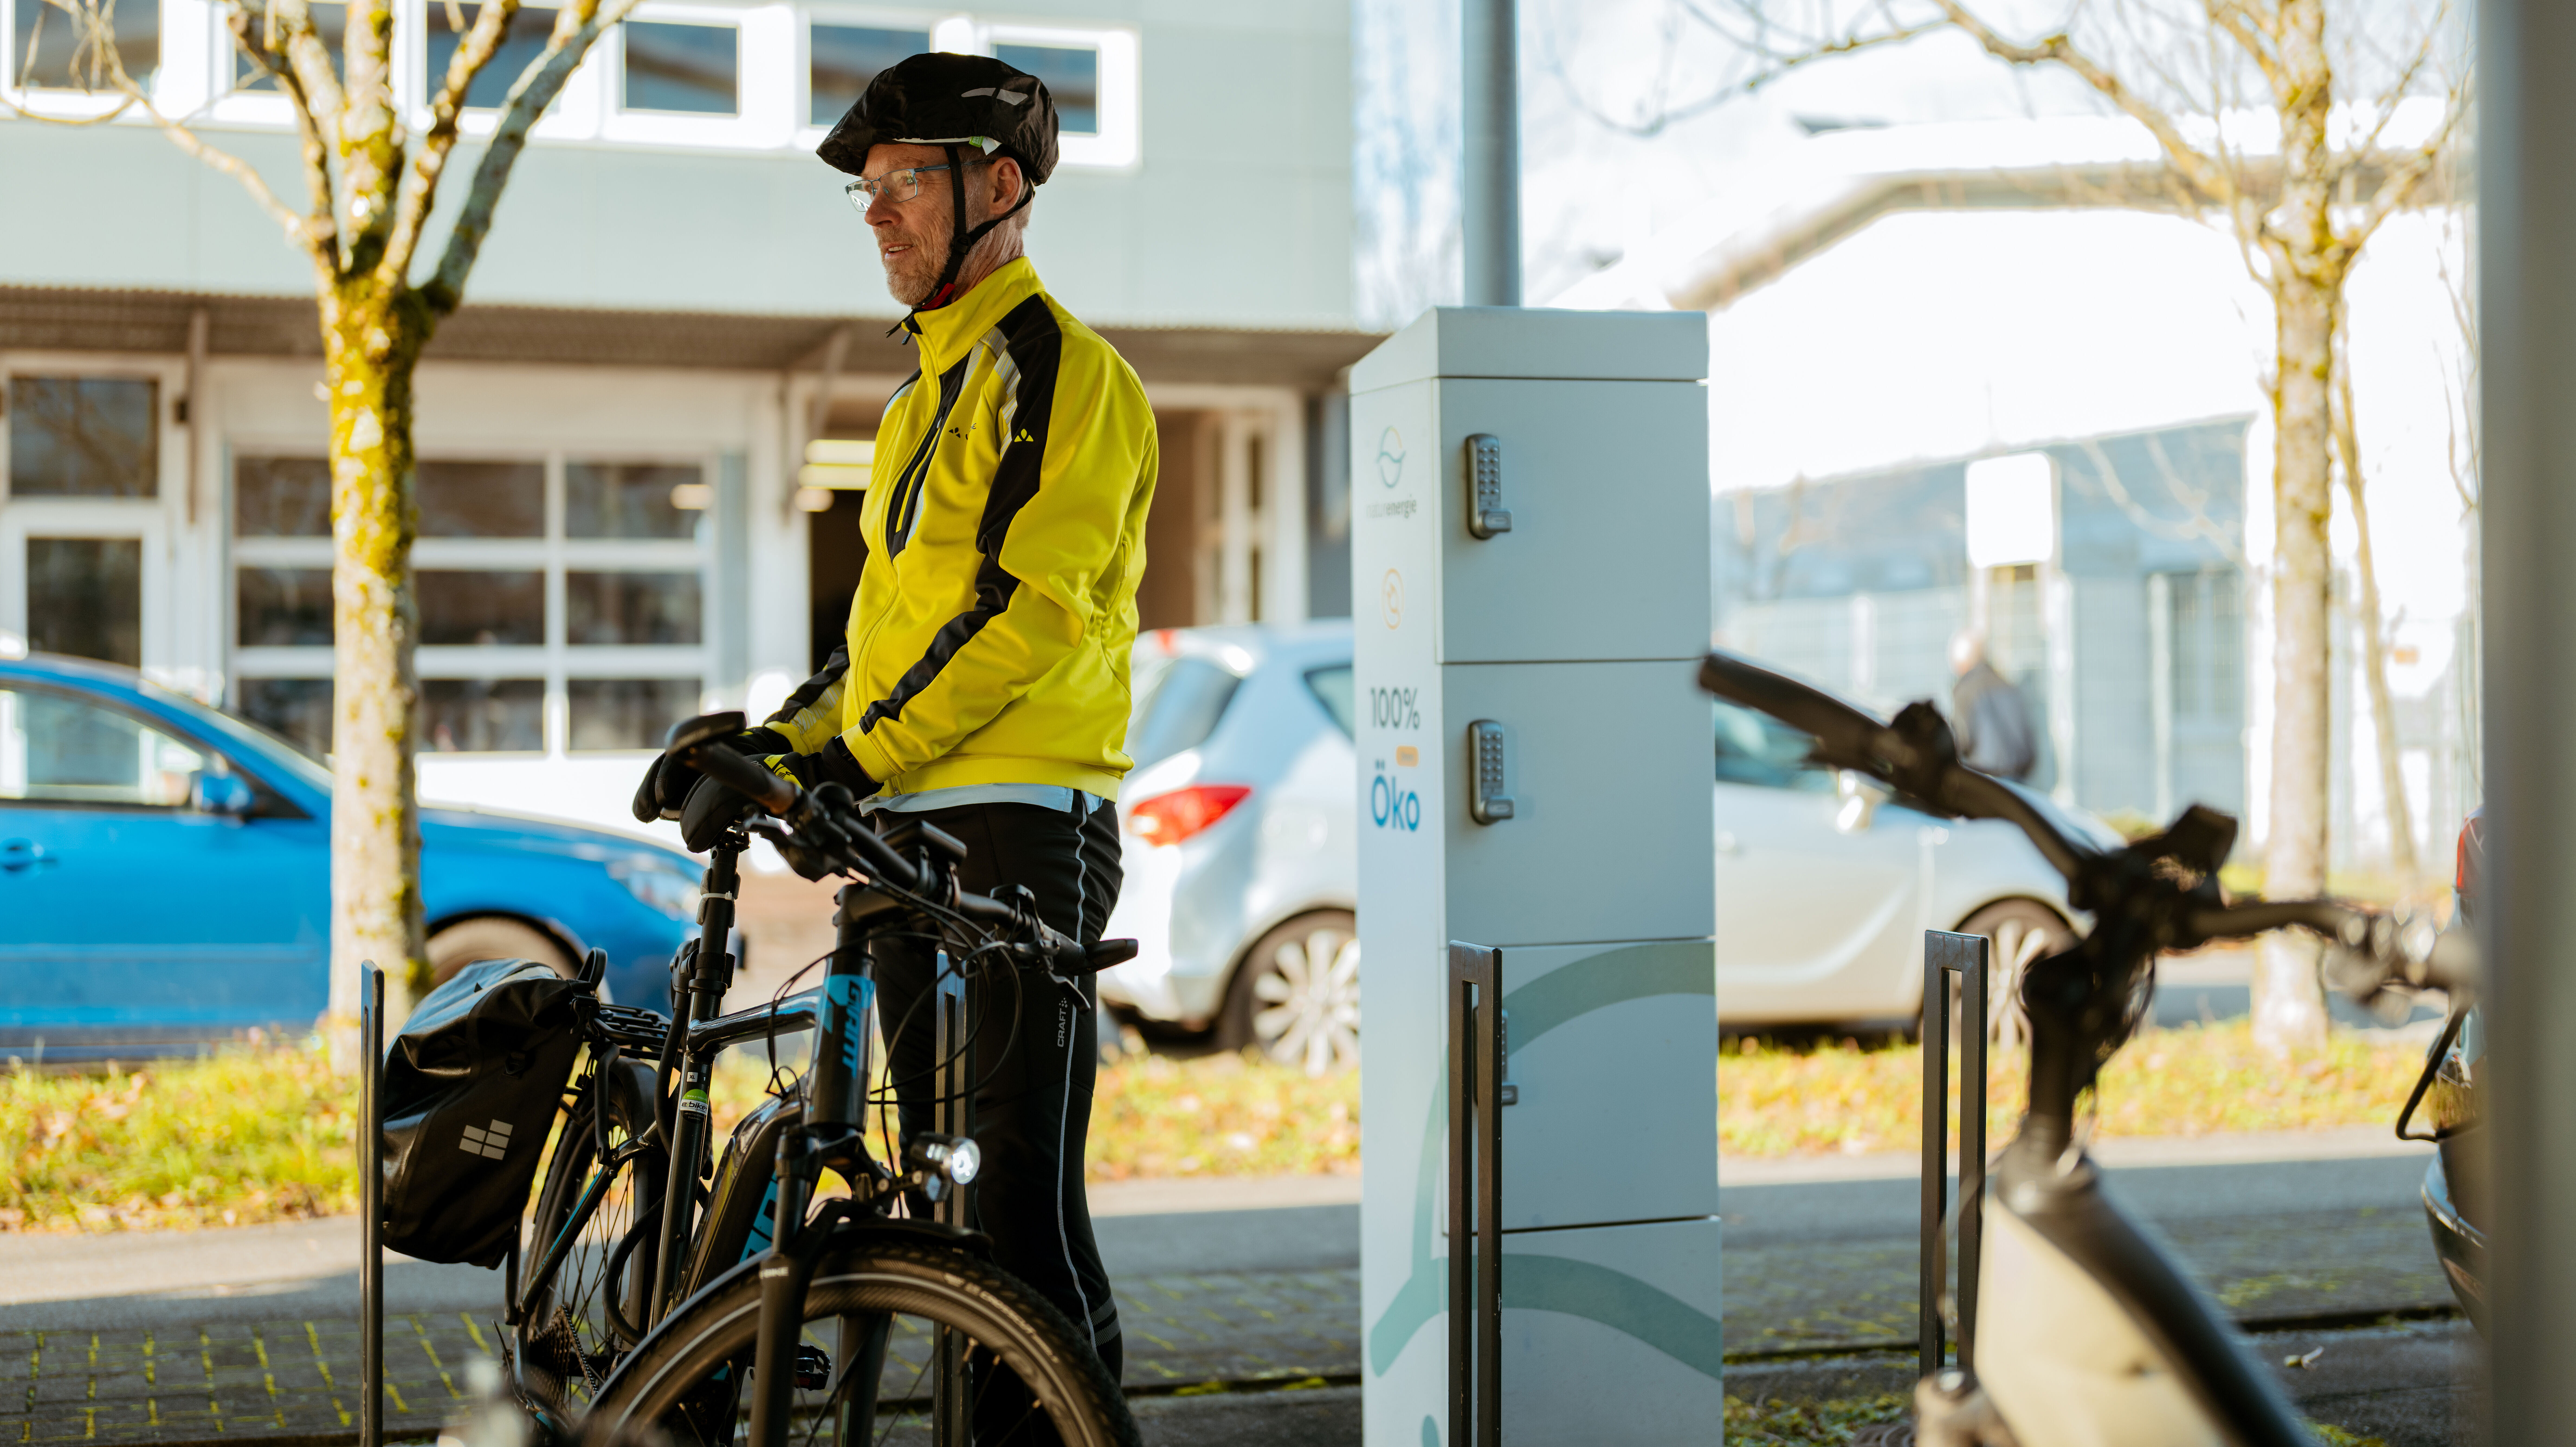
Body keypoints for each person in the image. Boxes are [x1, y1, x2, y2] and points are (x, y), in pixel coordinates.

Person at [633, 50, 1156, 1415]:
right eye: (864, 192)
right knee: (928, 1208)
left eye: (901, 182)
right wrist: (775, 749)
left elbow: (1023, 611)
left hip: (1016, 828)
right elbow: (876, 648)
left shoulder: (1062, 373)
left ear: (997, 188)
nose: (875, 213)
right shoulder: (918, 395)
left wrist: (852, 757)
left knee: (1013, 1218)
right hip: (905, 831)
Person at [1948, 628, 2037, 781]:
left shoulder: (1966, 690)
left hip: (1986, 783)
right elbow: (2029, 741)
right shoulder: (2009, 686)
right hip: (2018, 782)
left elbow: (1963, 741)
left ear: (1962, 661)